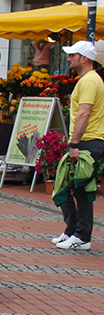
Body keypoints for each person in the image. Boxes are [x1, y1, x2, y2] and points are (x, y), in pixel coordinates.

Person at [51, 40, 104, 250]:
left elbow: (84, 112)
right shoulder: (87, 79)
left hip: (87, 141)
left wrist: (74, 143)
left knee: (79, 188)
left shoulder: (90, 81)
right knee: (68, 184)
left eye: (72, 55)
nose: (69, 58)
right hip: (86, 140)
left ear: (84, 58)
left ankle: (81, 236)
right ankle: (73, 230)